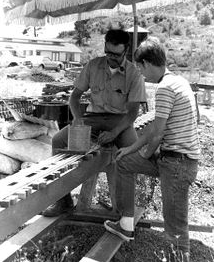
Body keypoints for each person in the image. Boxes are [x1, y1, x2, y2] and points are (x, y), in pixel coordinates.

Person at [104, 37, 200, 262]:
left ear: (147, 63)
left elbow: (156, 135)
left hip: (177, 164)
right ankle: (126, 225)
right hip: (174, 159)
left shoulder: (165, 88)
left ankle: (178, 258)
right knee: (124, 162)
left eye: (140, 68)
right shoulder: (179, 81)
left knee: (175, 227)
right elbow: (153, 130)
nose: (141, 74)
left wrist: (146, 154)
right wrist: (130, 151)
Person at [42, 29, 147, 217]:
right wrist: (78, 120)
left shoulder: (134, 74)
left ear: (126, 50)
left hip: (120, 121)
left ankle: (126, 211)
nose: (111, 58)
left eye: (116, 54)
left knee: (132, 153)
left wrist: (114, 133)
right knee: (58, 141)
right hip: (92, 119)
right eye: (108, 52)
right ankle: (63, 200)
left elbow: (132, 114)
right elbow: (74, 97)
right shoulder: (93, 66)